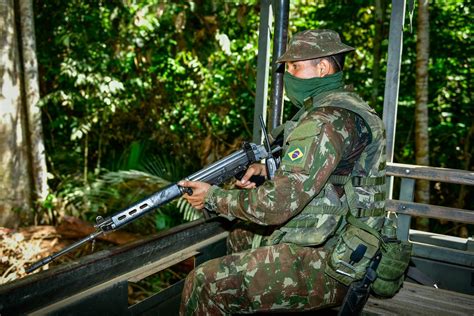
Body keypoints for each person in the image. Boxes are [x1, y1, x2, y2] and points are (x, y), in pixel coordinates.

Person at [178, 29, 387, 315]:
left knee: (203, 283)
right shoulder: (345, 108)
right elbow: (332, 175)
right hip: (344, 241)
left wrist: (214, 197)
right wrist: (266, 168)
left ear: (323, 68)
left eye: (295, 66)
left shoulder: (324, 122)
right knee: (240, 236)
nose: (287, 75)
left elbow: (277, 206)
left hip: (336, 264)